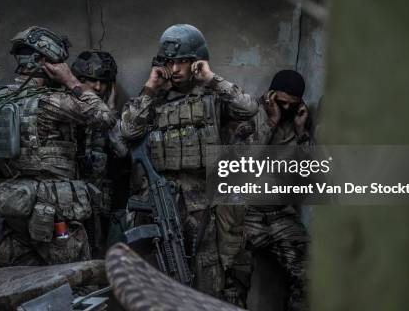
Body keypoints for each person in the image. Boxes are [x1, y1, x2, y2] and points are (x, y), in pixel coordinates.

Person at [120, 24, 258, 297]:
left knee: (206, 277)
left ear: (196, 62)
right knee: (159, 279)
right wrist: (150, 88)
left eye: (182, 62)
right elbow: (128, 131)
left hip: (203, 205)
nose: (175, 69)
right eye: (170, 62)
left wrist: (212, 79)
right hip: (161, 201)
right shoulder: (151, 100)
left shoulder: (213, 96)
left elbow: (249, 108)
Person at [0, 26, 116, 267]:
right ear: (45, 61)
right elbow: (104, 117)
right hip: (54, 213)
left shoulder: (0, 99)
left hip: (15, 209)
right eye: (59, 61)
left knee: (18, 284)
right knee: (71, 283)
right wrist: (70, 80)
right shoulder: (53, 102)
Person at [218, 69, 312, 310]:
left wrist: (302, 134)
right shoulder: (251, 116)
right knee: (231, 282)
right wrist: (270, 122)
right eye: (281, 102)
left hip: (280, 214)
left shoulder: (297, 123)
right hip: (245, 213)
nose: (286, 110)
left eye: (292, 105)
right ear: (270, 96)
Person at [70, 50, 128, 256]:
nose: (97, 87)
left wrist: (109, 115)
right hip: (67, 204)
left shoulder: (108, 116)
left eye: (103, 82)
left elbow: (122, 151)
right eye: (92, 81)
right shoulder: (63, 108)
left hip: (99, 206)